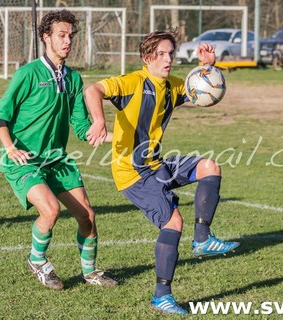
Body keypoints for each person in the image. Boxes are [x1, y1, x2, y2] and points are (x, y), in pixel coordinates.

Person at [84, 28, 239, 315]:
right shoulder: (133, 82)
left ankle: (203, 239)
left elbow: (201, 92)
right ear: (147, 58)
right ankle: (161, 296)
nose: (168, 59)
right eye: (161, 54)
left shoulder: (171, 86)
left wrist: (208, 67)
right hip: (133, 172)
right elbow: (92, 89)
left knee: (209, 166)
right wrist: (98, 120)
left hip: (157, 165)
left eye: (171, 54)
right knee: (173, 222)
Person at [0, 9, 117, 290]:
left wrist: (122, 136)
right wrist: (10, 148)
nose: (67, 41)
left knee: (87, 216)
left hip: (57, 160)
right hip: (24, 159)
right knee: (50, 210)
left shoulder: (73, 79)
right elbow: (0, 116)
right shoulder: (28, 73)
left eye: (70, 36)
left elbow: (84, 129)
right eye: (61, 35)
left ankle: (90, 271)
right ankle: (37, 260)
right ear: (46, 37)